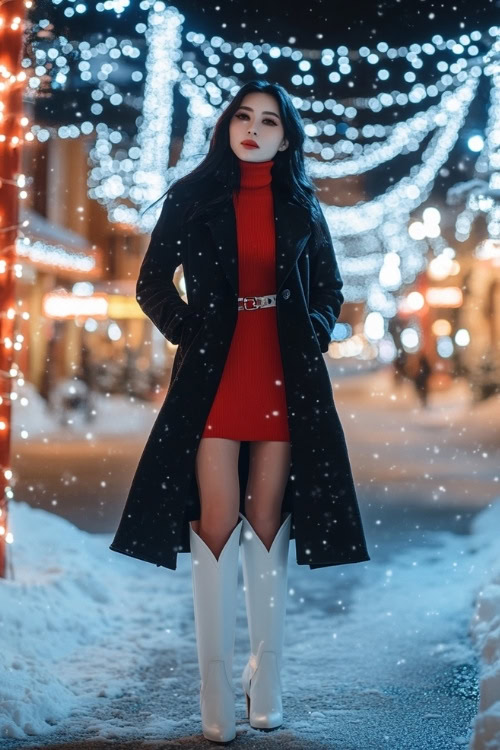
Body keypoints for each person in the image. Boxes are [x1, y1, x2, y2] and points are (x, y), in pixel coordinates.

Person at [109, 79, 370, 743]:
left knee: (267, 521)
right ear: (227, 127)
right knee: (216, 525)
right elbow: (150, 283)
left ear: (287, 138)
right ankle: (215, 691)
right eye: (244, 118)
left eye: (270, 122)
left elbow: (332, 287)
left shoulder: (302, 203)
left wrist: (309, 330)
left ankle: (268, 681)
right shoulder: (193, 197)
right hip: (215, 377)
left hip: (285, 375)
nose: (254, 129)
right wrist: (192, 331)